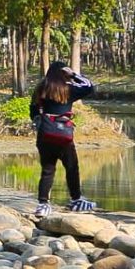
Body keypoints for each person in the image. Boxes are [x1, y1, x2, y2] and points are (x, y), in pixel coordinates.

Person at [29, 59, 98, 210]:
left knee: (48, 170)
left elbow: (33, 113)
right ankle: (76, 199)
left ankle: (43, 204)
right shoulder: (68, 89)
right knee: (72, 167)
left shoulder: (40, 89)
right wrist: (73, 75)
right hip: (63, 135)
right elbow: (90, 86)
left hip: (44, 134)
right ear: (63, 73)